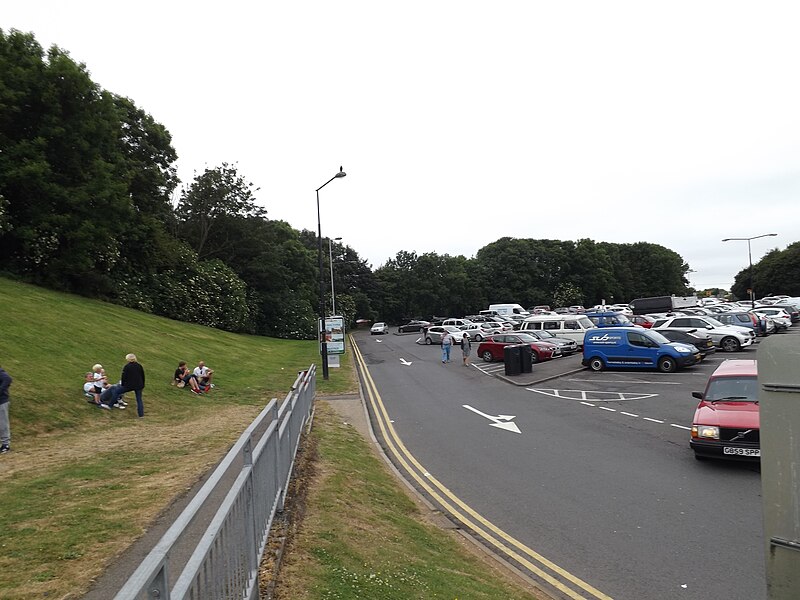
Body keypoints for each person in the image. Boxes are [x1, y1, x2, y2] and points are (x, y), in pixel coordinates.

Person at [0, 366, 12, 454]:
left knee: (3, 423)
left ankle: (5, 445)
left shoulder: (1, 372)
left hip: (1, 401)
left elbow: (8, 379)